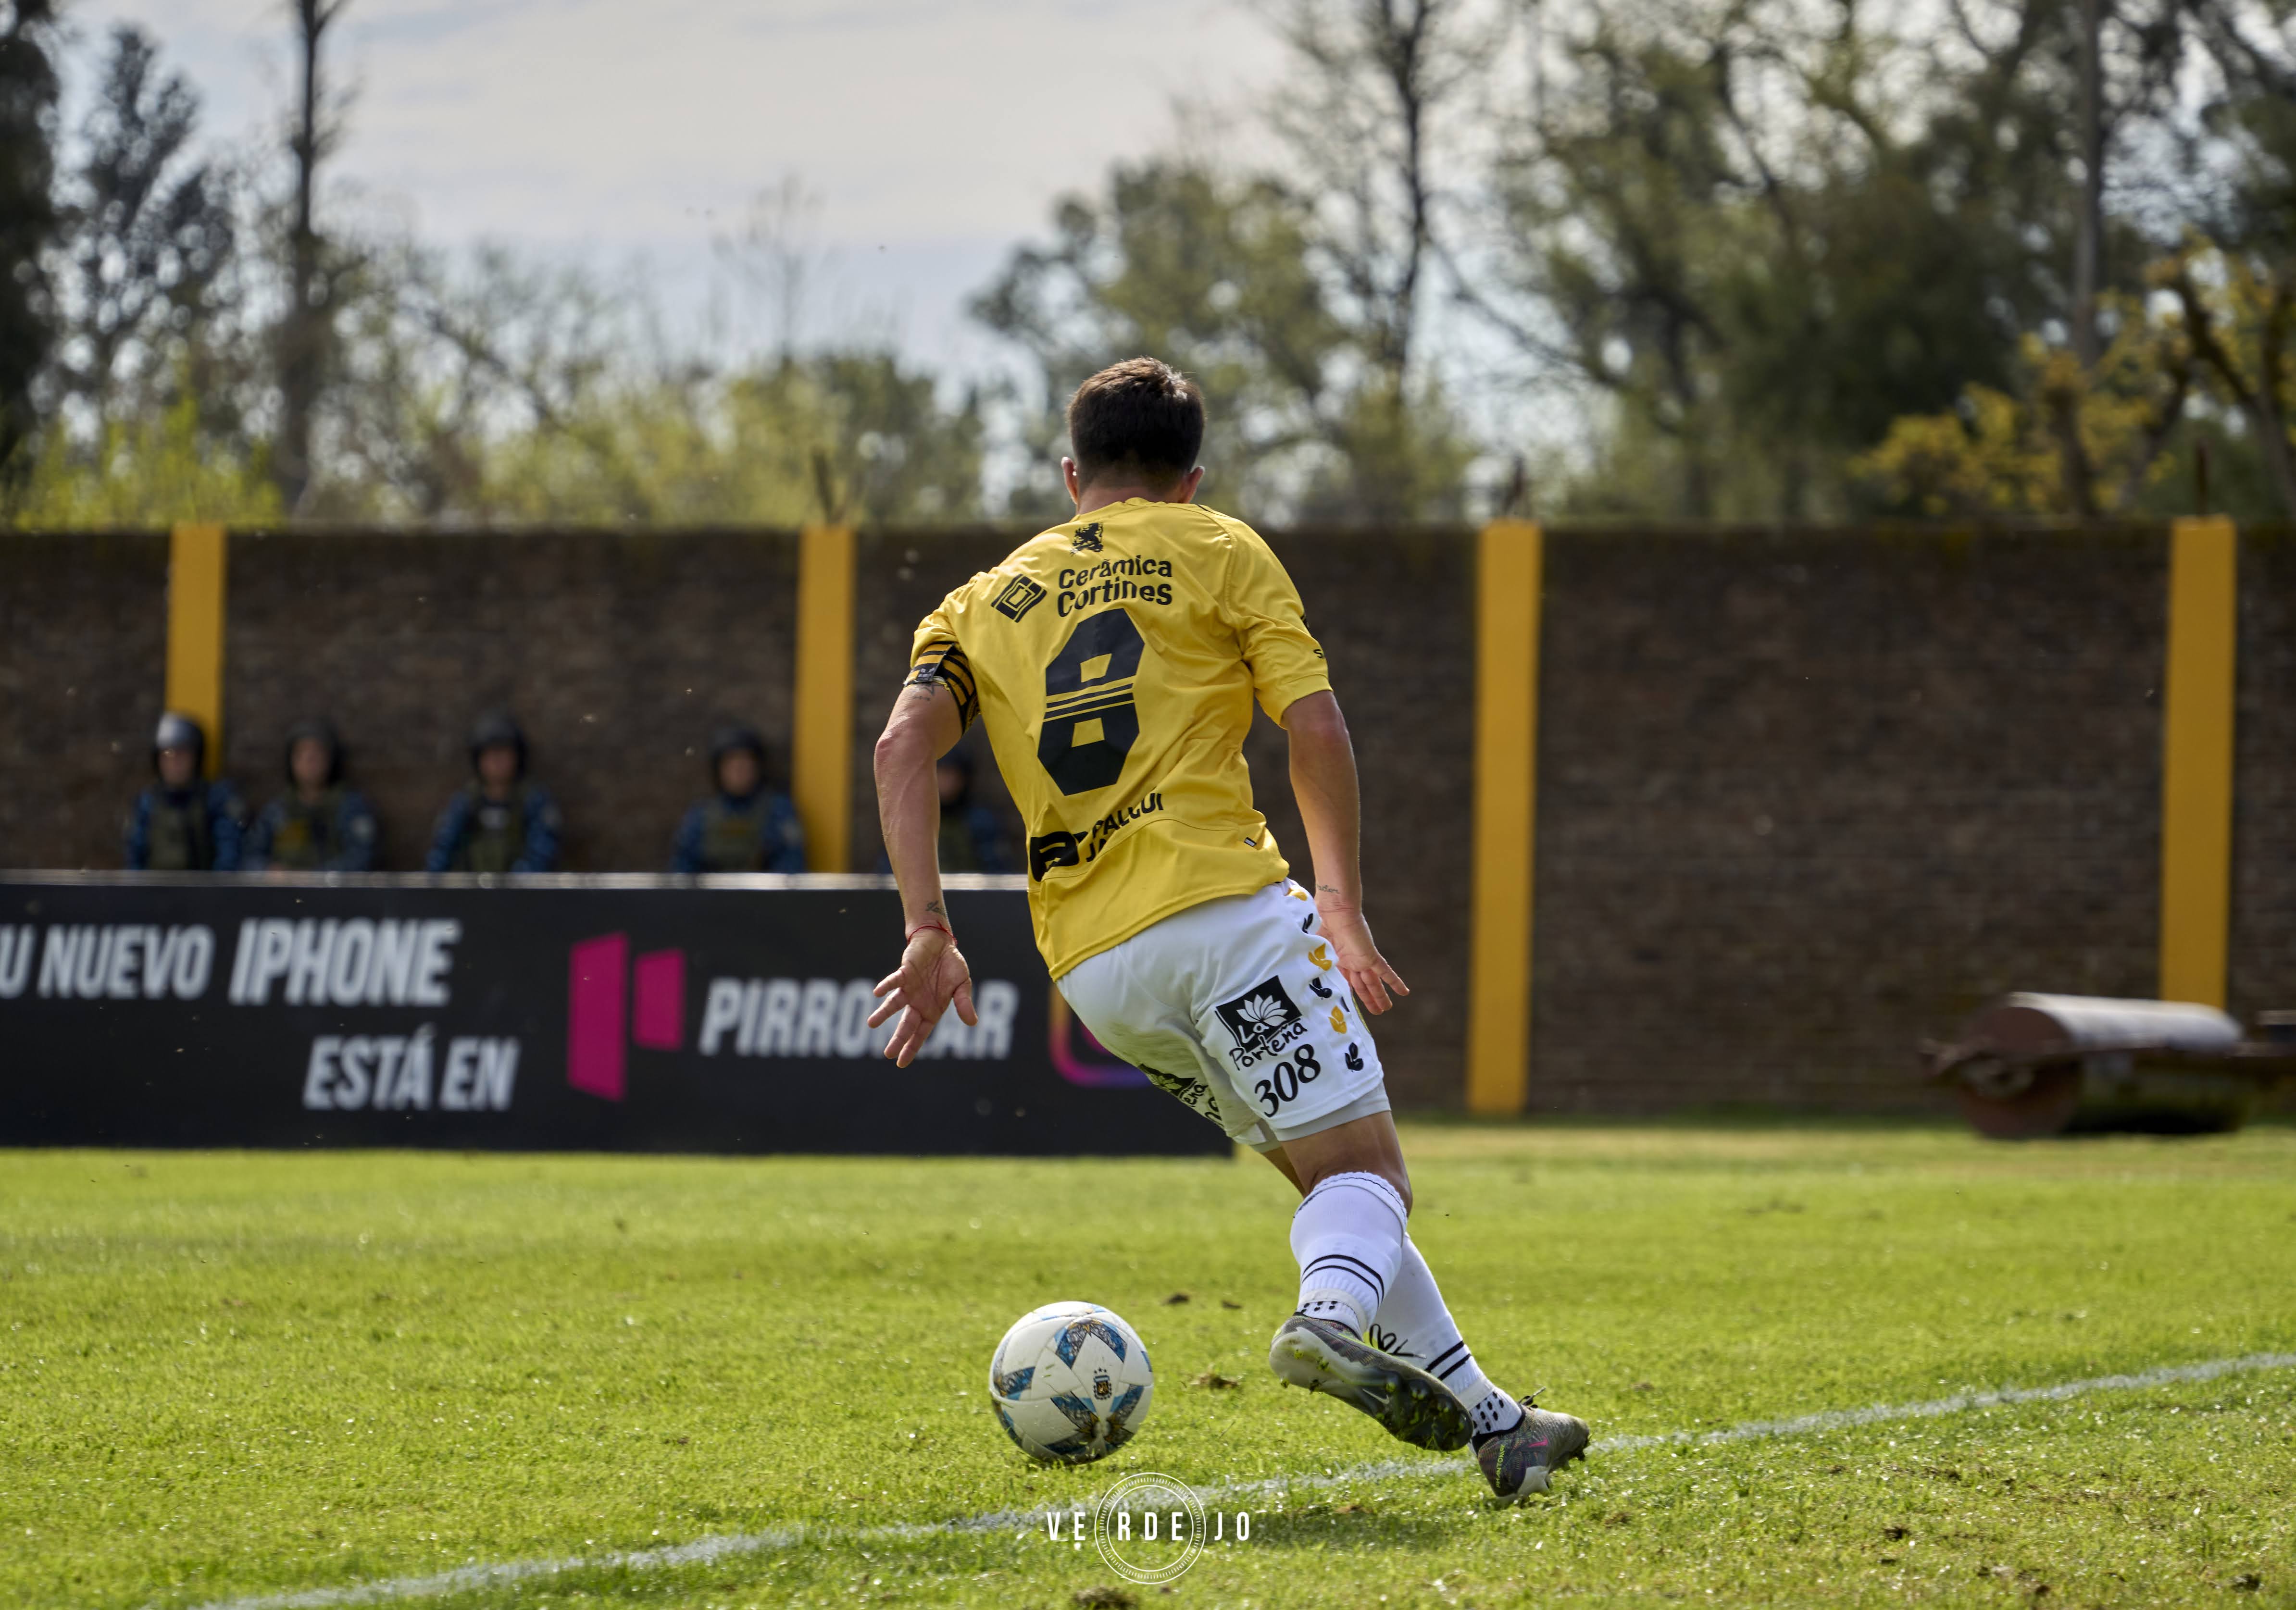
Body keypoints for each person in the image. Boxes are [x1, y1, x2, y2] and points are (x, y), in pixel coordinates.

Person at [869, 357, 1588, 1503]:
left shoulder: (981, 596)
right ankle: (1323, 1323)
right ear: (1191, 475)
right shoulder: (1218, 545)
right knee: (1369, 1178)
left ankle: (1499, 1424)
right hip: (1225, 914)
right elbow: (1313, 723)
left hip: (1097, 970)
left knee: (1328, 1183)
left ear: (1071, 475)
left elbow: (901, 749)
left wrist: (927, 926)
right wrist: (1340, 904)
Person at [425, 711, 562, 874]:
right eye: (490, 756)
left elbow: (542, 852)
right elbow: (443, 848)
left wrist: (513, 886)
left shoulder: (533, 800)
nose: (497, 763)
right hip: (470, 894)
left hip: (521, 895)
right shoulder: (467, 801)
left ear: (517, 757)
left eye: (503, 754)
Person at [244, 719, 379, 873]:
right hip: (284, 893)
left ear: (331, 759)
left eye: (317, 753)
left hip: (333, 893)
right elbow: (250, 857)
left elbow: (361, 859)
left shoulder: (350, 807)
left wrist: (314, 877)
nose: (309, 760)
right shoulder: (277, 810)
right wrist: (270, 872)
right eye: (301, 753)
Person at [670, 723, 807, 873]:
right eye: (731, 764)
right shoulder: (700, 816)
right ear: (719, 769)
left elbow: (792, 868)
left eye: (745, 762)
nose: (739, 770)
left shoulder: (779, 812)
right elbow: (682, 871)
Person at [125, 712, 247, 871]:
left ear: (196, 758)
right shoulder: (147, 803)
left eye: (182, 755)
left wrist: (215, 894)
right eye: (167, 756)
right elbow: (135, 859)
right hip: (154, 893)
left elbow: (229, 855)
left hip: (204, 891)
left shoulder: (215, 800)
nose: (174, 764)